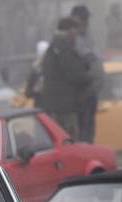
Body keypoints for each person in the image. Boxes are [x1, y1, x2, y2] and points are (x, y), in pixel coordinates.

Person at [41, 17, 92, 140]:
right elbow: (75, 73)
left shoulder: (53, 47)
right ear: (70, 31)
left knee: (57, 138)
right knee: (69, 138)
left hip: (54, 103)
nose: (76, 37)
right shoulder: (64, 49)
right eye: (76, 32)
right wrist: (89, 77)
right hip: (65, 105)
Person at [71, 5, 105, 143]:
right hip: (82, 93)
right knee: (83, 133)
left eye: (86, 19)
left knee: (89, 131)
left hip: (91, 93)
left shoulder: (87, 36)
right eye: (83, 18)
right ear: (75, 19)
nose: (86, 22)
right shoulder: (73, 39)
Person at [24, 41, 50, 109]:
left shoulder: (54, 69)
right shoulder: (35, 71)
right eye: (44, 54)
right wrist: (37, 90)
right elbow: (28, 92)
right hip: (41, 107)